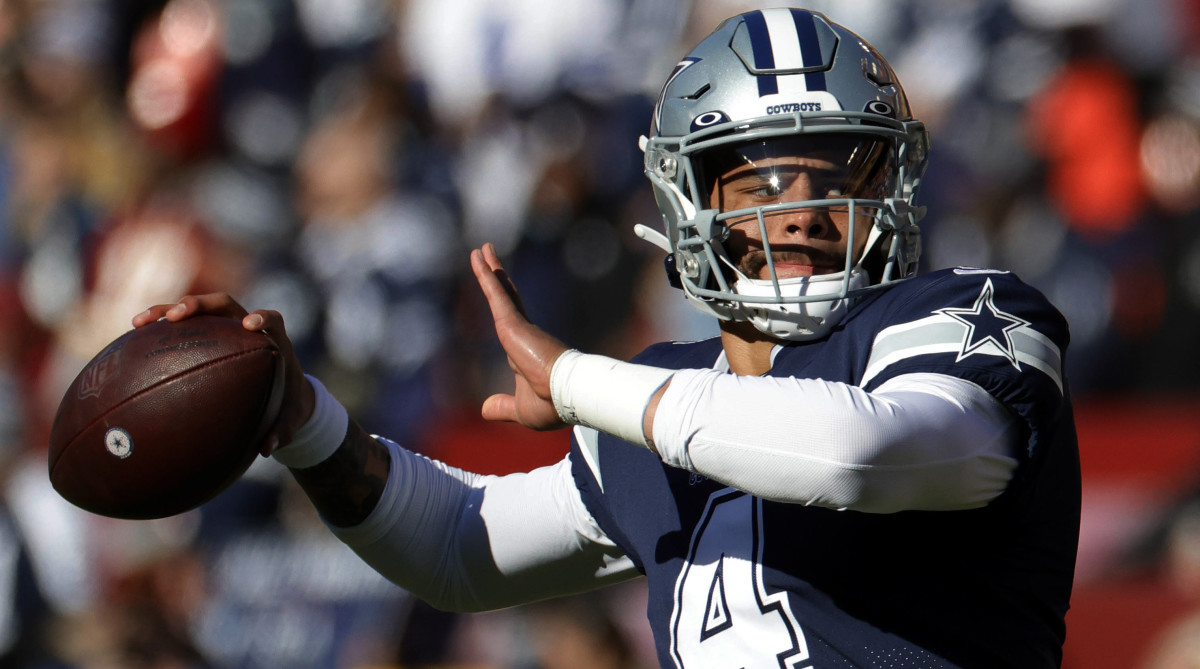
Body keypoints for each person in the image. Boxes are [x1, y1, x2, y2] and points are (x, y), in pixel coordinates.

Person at [133, 9, 1079, 668]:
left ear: (893, 189)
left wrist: (582, 382)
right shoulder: (665, 401)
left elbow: (857, 450)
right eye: (757, 184)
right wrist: (302, 420)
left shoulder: (965, 320)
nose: (802, 215)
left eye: (837, 173)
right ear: (685, 203)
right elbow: (463, 547)